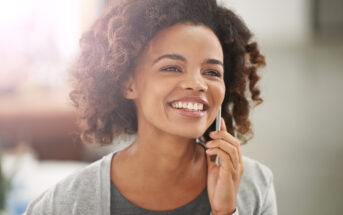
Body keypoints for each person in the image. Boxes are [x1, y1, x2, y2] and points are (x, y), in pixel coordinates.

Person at [25, 0, 277, 214]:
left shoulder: (254, 187)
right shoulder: (65, 204)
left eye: (212, 72)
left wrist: (225, 211)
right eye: (172, 68)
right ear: (128, 83)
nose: (197, 84)